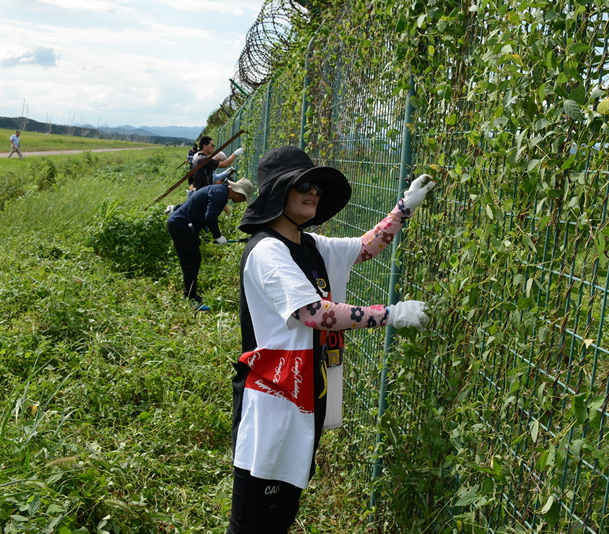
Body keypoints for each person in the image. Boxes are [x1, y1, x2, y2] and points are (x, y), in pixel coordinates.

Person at [228, 145, 435, 533]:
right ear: (277, 192)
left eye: (317, 187)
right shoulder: (267, 252)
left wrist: (403, 209)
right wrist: (390, 314)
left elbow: (365, 247)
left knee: (281, 514)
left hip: (304, 395)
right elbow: (314, 313)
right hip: (271, 400)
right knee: (253, 522)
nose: (314, 192)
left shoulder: (311, 246)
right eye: (302, 184)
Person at [167, 177, 256, 311]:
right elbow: (210, 216)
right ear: (239, 193)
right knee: (191, 261)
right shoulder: (220, 195)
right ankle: (190, 298)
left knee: (193, 260)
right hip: (181, 226)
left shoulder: (218, 190)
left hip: (183, 224)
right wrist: (217, 236)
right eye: (244, 198)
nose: (243, 201)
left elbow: (197, 205)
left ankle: (190, 294)